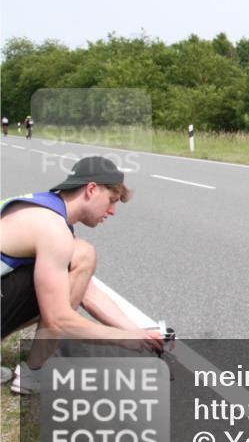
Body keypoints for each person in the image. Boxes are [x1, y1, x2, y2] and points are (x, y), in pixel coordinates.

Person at [1, 156, 163, 393]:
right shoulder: (53, 230)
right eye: (111, 200)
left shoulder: (43, 208)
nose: (112, 211)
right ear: (91, 189)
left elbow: (87, 291)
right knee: (79, 260)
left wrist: (138, 332)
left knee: (79, 259)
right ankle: (33, 373)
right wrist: (122, 339)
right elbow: (58, 319)